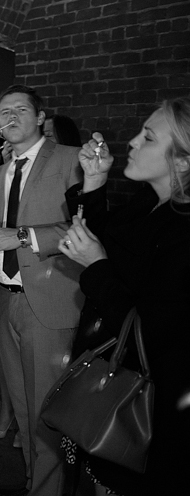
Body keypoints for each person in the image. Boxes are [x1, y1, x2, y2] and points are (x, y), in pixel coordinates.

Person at [58, 98, 190, 495]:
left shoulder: (184, 231)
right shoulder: (151, 202)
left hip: (145, 401)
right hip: (109, 377)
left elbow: (150, 330)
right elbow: (103, 242)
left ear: (182, 161)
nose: (131, 142)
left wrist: (95, 264)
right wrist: (94, 182)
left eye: (147, 137)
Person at [0, 85, 83, 496]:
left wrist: (26, 236)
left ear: (41, 117)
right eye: (3, 111)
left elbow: (88, 227)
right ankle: (35, 481)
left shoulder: (69, 159)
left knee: (47, 408)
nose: (10, 117)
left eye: (20, 110)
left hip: (49, 301)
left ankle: (49, 490)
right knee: (23, 404)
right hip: (4, 298)